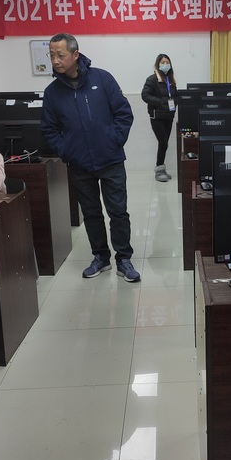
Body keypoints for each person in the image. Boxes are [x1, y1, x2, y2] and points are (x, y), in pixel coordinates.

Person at [40, 32, 140, 282]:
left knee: (118, 212)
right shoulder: (52, 92)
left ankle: (124, 259)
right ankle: (101, 257)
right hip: (79, 163)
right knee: (91, 213)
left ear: (75, 54)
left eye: (60, 55)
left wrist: (115, 140)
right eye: (51, 55)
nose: (55, 61)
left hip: (110, 160)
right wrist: (66, 150)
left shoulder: (102, 79)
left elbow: (123, 113)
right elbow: (49, 129)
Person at [141, 53, 178, 182]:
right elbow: (145, 95)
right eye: (163, 62)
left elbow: (175, 96)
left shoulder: (170, 80)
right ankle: (159, 170)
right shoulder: (152, 79)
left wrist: (175, 102)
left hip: (169, 116)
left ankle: (161, 169)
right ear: (158, 64)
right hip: (157, 116)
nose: (165, 64)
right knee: (163, 142)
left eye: (167, 62)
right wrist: (161, 102)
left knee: (164, 143)